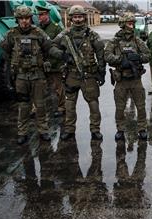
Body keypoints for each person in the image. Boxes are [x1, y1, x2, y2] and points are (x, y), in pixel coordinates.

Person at [50, 5, 106, 141]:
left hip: (89, 75)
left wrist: (101, 71)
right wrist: (63, 55)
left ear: (84, 18)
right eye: (75, 17)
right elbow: (51, 46)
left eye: (80, 17)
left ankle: (95, 129)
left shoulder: (92, 35)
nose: (78, 20)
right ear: (71, 19)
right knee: (69, 104)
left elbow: (101, 54)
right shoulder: (65, 34)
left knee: (93, 103)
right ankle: (69, 129)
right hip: (71, 75)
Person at [0, 5, 52, 144]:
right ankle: (22, 132)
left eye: (27, 18)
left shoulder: (39, 33)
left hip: (38, 76)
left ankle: (43, 131)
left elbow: (49, 48)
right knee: (23, 107)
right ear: (17, 19)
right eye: (21, 18)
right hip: (21, 77)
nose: (24, 21)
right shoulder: (11, 34)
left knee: (40, 106)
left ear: (31, 18)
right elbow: (5, 51)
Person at [105, 12, 150, 141]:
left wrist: (138, 57)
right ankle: (120, 129)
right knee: (120, 107)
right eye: (129, 23)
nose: (132, 26)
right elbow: (107, 55)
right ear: (123, 25)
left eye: (133, 23)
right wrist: (120, 60)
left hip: (136, 80)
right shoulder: (115, 41)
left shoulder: (137, 40)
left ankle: (142, 129)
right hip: (121, 80)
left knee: (140, 106)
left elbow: (148, 55)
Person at [36, 5, 65, 117]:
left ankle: (62, 107)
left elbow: (62, 45)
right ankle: (37, 108)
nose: (40, 17)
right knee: (38, 87)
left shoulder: (56, 28)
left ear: (47, 15)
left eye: (42, 14)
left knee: (58, 87)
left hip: (55, 63)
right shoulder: (37, 29)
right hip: (41, 63)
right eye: (39, 15)